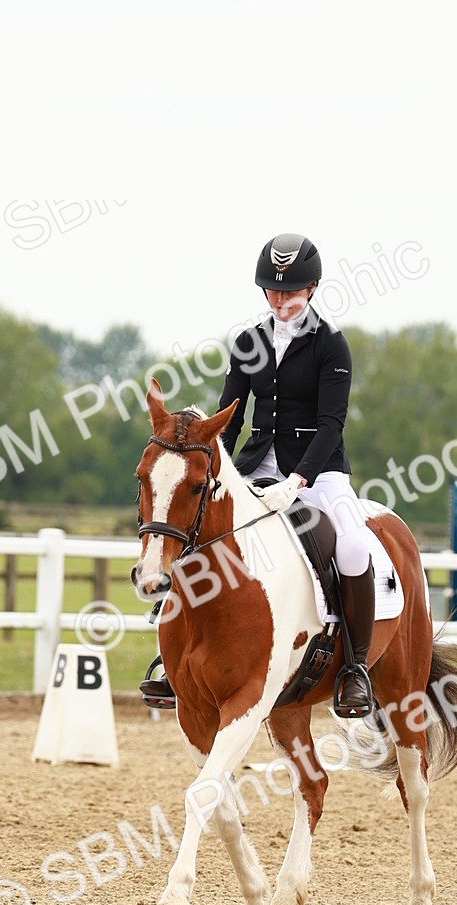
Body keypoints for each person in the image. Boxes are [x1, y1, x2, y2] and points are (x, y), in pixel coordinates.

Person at [140, 232, 375, 716]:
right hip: (254, 465)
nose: (281, 300)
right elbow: (231, 411)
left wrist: (301, 479)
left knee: (352, 546)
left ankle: (355, 667)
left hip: (321, 471)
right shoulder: (249, 342)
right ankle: (172, 658)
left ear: (311, 289)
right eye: (273, 291)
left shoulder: (332, 346)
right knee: (197, 532)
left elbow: (332, 424)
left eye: (290, 291)